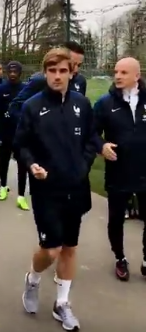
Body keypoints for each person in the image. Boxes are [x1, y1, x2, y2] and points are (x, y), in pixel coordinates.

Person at [14, 47, 97, 330]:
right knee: (50, 249)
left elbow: (91, 139)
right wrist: (32, 165)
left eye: (63, 71)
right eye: (52, 71)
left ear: (71, 72)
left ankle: (62, 304)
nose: (58, 76)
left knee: (70, 247)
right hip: (46, 189)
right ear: (45, 72)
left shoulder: (81, 104)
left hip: (76, 186)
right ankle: (33, 279)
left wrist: (84, 165)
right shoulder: (32, 106)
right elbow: (21, 145)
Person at [94, 57, 146, 281]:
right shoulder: (105, 104)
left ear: (137, 76)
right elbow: (91, 134)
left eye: (124, 72)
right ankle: (120, 258)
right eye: (116, 71)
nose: (117, 76)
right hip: (118, 171)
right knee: (116, 219)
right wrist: (101, 145)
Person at [9, 41, 86, 122]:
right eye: (73, 64)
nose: (76, 69)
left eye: (79, 65)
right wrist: (35, 125)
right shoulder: (39, 81)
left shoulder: (80, 81)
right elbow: (15, 108)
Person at [0, 61, 29, 209]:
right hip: (4, 132)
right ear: (7, 73)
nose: (13, 74)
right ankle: (3, 186)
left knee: (22, 163)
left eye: (16, 72)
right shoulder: (0, 89)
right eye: (10, 72)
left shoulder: (25, 89)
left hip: (21, 133)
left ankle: (21, 196)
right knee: (4, 160)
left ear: (20, 73)